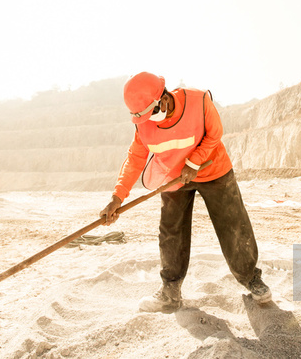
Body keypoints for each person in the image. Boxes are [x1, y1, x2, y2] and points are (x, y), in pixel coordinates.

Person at [100, 72, 271, 313]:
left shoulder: (199, 101)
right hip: (174, 179)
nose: (149, 120)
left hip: (214, 171)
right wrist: (117, 197)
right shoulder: (143, 125)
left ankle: (251, 278)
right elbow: (135, 158)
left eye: (152, 112)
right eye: (144, 117)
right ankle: (170, 290)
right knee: (171, 232)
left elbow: (215, 133)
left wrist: (194, 163)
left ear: (164, 97)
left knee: (234, 224)